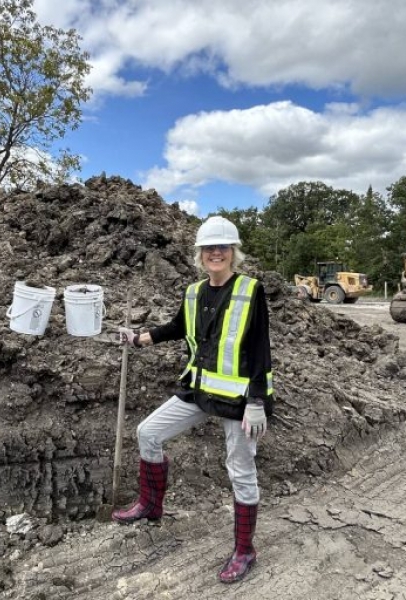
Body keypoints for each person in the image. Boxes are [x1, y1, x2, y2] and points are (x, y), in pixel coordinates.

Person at [114, 215, 274, 584]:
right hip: (199, 391)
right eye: (208, 248)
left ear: (233, 253)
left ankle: (244, 550)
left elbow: (260, 347)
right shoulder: (193, 292)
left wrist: (257, 401)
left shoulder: (251, 290)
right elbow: (176, 328)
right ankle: (151, 506)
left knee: (241, 470)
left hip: (238, 400)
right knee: (148, 433)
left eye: (222, 247)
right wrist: (138, 339)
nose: (215, 253)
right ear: (199, 254)